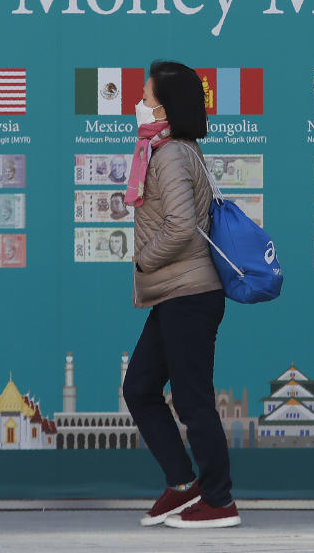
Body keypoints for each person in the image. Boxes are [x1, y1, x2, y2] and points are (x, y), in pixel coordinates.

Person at [121, 60, 239, 529]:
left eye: (146, 97)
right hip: (177, 293)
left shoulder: (169, 155)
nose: (139, 104)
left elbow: (182, 227)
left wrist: (144, 258)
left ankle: (218, 500)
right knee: (141, 388)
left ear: (164, 106)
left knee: (192, 401)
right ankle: (183, 485)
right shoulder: (171, 149)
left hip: (187, 292)